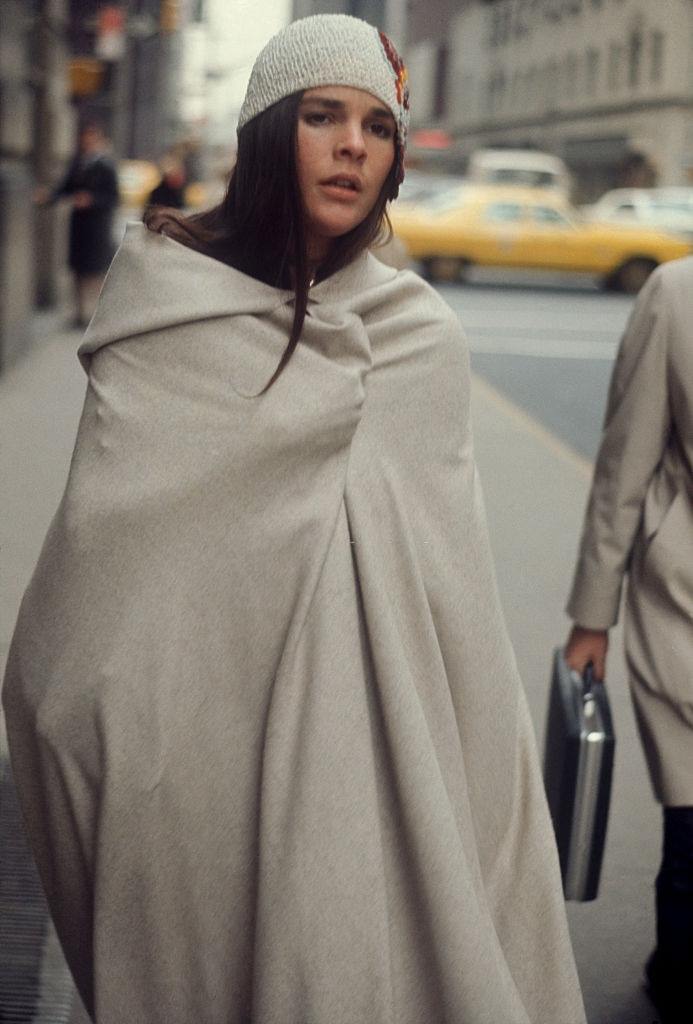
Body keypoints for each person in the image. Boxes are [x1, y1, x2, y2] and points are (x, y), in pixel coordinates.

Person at [3, 15, 586, 1024]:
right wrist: (99, 736)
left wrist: (485, 812)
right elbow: (100, 575)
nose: (354, 143)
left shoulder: (418, 340)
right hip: (189, 792)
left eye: (377, 124)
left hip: (365, 782)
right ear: (273, 131)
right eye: (323, 115)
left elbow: (455, 608)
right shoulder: (166, 308)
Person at [565, 256, 693, 1024]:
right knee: (691, 835)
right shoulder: (675, 295)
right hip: (682, 603)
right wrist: (592, 614)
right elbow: (623, 467)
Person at [36, 122, 119, 328]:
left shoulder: (106, 167)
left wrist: (92, 200)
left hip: (97, 228)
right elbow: (65, 188)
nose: (87, 142)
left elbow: (113, 198)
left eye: (92, 138)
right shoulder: (77, 163)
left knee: (94, 272)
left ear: (99, 140)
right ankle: (80, 313)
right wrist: (48, 197)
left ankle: (93, 315)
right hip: (79, 227)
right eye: (85, 138)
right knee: (78, 271)